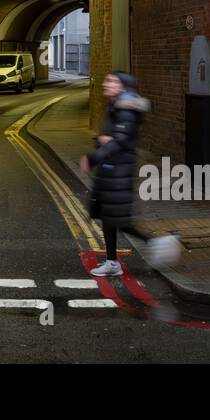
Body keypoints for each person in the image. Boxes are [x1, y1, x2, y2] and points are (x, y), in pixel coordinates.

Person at [82, 71, 181, 278]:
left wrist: (94, 157)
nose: (106, 84)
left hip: (119, 170)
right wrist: (103, 141)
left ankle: (156, 243)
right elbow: (115, 138)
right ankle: (112, 261)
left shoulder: (125, 110)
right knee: (110, 217)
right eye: (107, 80)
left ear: (123, 86)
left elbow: (119, 141)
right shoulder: (117, 106)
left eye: (112, 81)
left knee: (118, 219)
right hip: (111, 169)